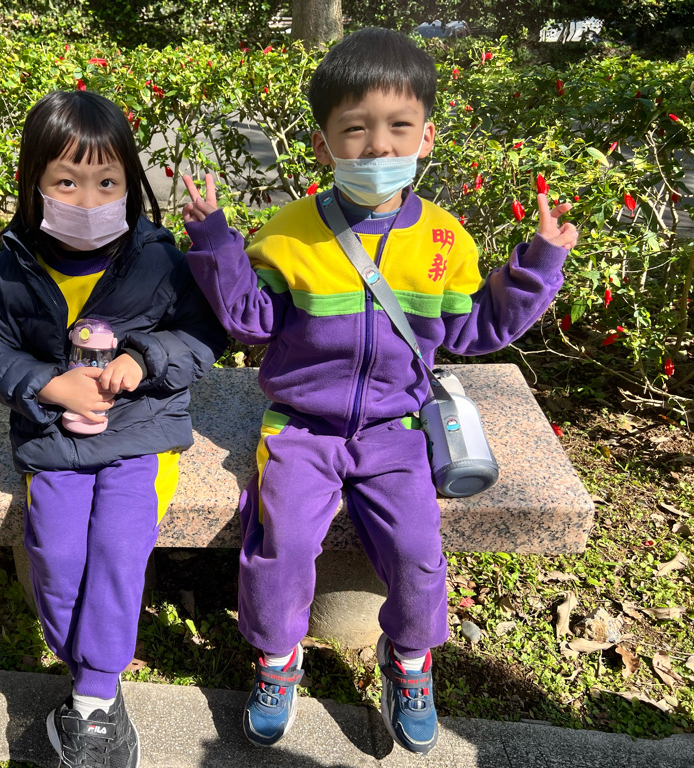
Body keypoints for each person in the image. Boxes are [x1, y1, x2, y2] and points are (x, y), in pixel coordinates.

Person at [181, 27, 577, 756]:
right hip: (300, 427)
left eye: (399, 127)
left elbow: (477, 329)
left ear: (427, 137)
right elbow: (250, 321)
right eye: (355, 129)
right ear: (323, 144)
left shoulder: (445, 239)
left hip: (396, 428)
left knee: (419, 550)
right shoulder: (290, 232)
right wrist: (215, 242)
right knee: (281, 543)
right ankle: (276, 658)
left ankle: (410, 660)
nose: (378, 146)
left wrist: (538, 265)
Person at [0, 90, 226, 768]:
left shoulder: (156, 258)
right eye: (66, 182)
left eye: (107, 182)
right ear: (34, 183)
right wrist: (46, 385)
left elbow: (203, 333)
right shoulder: (18, 261)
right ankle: (85, 664)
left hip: (138, 432)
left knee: (117, 547)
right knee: (56, 556)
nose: (88, 200)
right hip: (53, 437)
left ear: (130, 183)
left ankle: (94, 696)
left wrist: (144, 361)